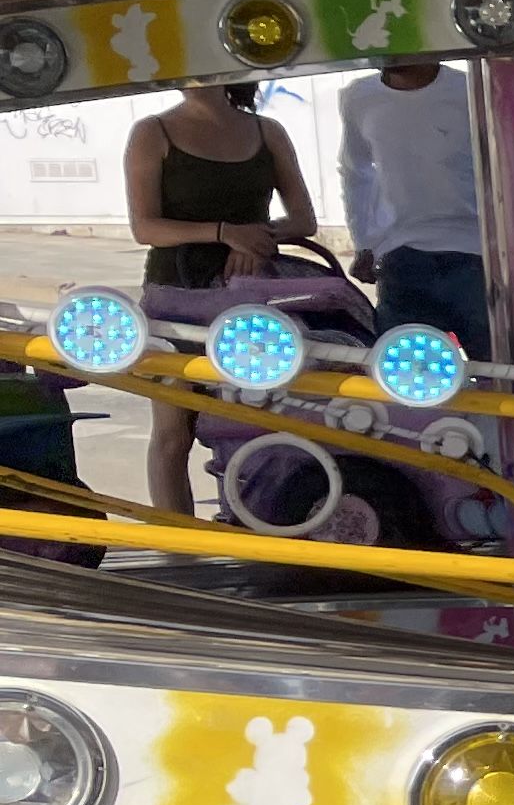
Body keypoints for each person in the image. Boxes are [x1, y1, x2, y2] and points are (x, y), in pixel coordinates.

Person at [125, 79, 315, 514]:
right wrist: (225, 233)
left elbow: (303, 219)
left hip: (251, 294)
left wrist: (256, 240)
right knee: (175, 433)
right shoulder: (153, 131)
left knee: (255, 422)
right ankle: (181, 546)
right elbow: (145, 228)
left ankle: (257, 523)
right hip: (177, 295)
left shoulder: (268, 131)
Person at [336, 59, 487, 357]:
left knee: (498, 377)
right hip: (401, 259)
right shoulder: (358, 96)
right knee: (407, 377)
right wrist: (364, 243)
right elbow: (356, 173)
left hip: (476, 255)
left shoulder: (471, 90)